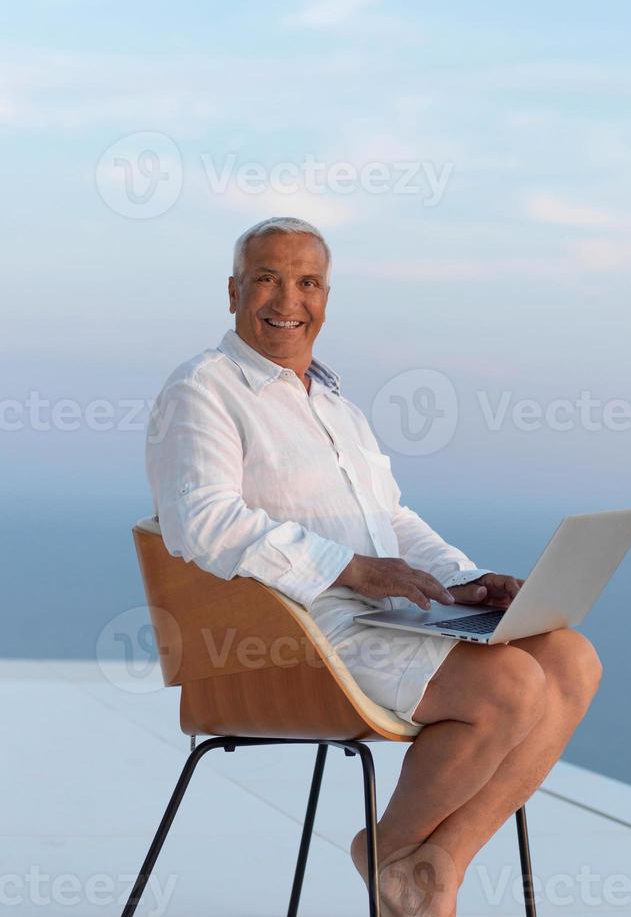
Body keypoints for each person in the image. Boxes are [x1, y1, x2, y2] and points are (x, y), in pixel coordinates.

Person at [146, 216, 602, 917]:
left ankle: (428, 866)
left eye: (307, 282)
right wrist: (347, 568)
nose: (286, 299)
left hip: (376, 623)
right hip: (293, 639)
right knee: (508, 684)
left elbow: (391, 519)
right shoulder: (202, 388)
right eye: (267, 277)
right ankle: (396, 859)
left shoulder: (335, 405)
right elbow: (200, 521)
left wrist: (465, 581)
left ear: (326, 296)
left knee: (570, 658)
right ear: (234, 290)